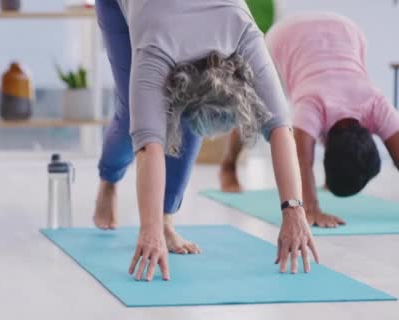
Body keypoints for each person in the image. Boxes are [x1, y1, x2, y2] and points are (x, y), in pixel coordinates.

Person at [93, 0, 318, 281]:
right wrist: (147, 230)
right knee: (132, 118)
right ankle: (109, 178)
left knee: (175, 120)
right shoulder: (154, 50)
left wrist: (294, 211)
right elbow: (149, 146)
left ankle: (166, 219)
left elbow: (280, 128)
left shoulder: (243, 32)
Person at [219, 12, 399, 228]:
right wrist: (311, 208)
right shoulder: (312, 102)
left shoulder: (377, 104)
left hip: (346, 30)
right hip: (284, 39)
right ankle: (228, 166)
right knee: (253, 107)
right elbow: (301, 161)